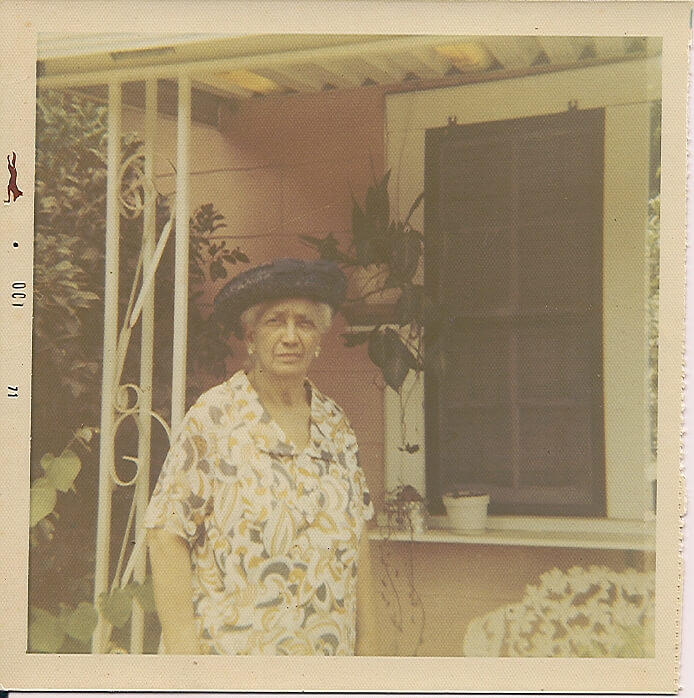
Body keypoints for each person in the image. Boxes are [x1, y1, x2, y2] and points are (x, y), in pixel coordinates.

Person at [145, 258, 377, 655]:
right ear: (250, 336)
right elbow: (165, 534)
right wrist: (186, 660)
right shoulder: (215, 417)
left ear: (320, 337)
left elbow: (358, 541)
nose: (291, 336)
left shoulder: (335, 424)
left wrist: (371, 651)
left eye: (304, 323)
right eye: (275, 322)